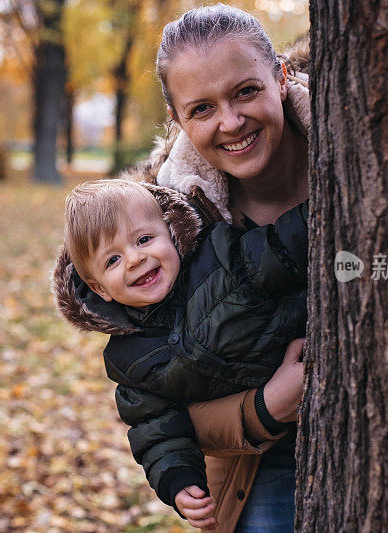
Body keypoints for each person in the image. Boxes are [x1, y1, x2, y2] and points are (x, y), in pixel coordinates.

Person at [142, 4, 312, 531]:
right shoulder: (167, 233)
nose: (231, 123)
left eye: (245, 91)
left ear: (281, 77)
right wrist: (265, 407)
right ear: (177, 121)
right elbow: (156, 404)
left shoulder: (365, 151)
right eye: (201, 109)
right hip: (260, 457)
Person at [51, 176, 307, 519]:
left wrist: (315, 216)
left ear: (171, 233)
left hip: (312, 380)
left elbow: (278, 248)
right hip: (257, 454)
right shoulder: (129, 360)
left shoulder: (219, 257)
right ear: (99, 290)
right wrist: (180, 481)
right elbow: (156, 429)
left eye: (144, 239)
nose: (134, 259)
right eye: (112, 260)